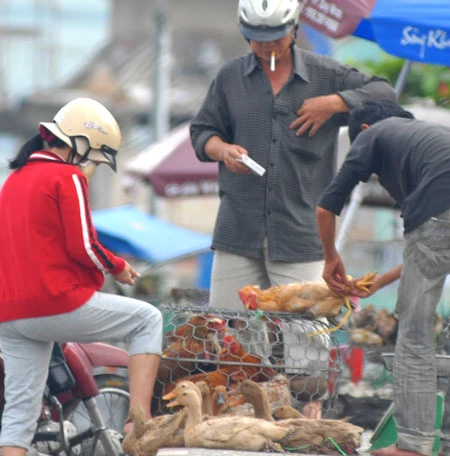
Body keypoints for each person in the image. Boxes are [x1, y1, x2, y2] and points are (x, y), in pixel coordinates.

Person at [190, 0, 396, 418]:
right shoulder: (230, 76)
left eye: (277, 39)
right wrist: (222, 149)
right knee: (232, 338)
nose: (268, 48)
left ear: (295, 29)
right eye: (258, 40)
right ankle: (241, 422)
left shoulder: (326, 73)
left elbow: (384, 93)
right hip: (238, 230)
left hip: (301, 232)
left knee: (309, 346)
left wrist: (335, 103)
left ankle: (307, 424)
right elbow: (202, 131)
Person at [0, 97, 163, 456]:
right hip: (53, 301)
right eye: (93, 155)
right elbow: (84, 246)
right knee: (147, 319)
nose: (91, 164)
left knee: (18, 418)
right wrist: (118, 266)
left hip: (10, 314)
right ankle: (141, 423)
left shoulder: (14, 179)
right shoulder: (67, 175)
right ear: (80, 143)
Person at [316, 99, 450, 456]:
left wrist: (331, 259)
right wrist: (382, 281)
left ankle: (412, 446)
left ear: (362, 130)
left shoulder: (372, 134)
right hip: (439, 222)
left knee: (415, 334)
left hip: (438, 218)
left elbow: (326, 206)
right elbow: (433, 248)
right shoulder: (430, 141)